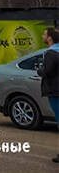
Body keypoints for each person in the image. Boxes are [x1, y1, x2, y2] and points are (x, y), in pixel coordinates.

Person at [36, 27, 59, 164]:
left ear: (50, 38)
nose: (43, 36)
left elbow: (48, 71)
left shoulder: (51, 53)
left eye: (44, 34)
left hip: (56, 92)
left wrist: (39, 70)